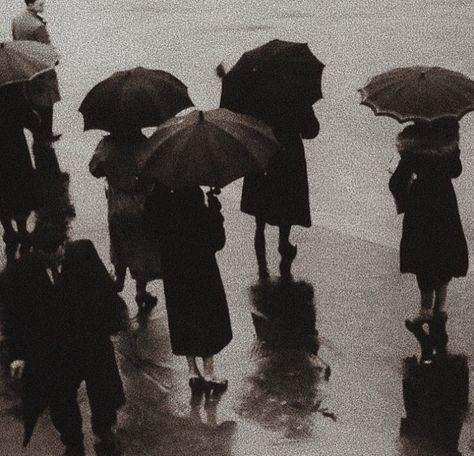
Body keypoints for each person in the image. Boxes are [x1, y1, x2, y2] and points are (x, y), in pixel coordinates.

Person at [1, 224, 127, 456]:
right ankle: (72, 441)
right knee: (60, 398)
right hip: (55, 347)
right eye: (49, 253)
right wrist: (17, 355)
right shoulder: (23, 272)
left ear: (63, 244)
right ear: (38, 253)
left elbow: (106, 288)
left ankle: (104, 432)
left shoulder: (83, 251)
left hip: (89, 338)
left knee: (102, 388)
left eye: (59, 248)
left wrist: (113, 320)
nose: (59, 254)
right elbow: (15, 316)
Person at [219, 69, 320, 280]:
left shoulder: (256, 93)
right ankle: (284, 242)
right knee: (287, 199)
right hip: (289, 153)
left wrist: (226, 78)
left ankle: (262, 265)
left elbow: (236, 111)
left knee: (261, 207)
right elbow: (312, 130)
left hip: (262, 150)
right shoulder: (297, 93)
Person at [144, 185, 232, 394]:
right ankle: (209, 372)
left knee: (182, 314)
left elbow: (149, 230)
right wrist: (214, 210)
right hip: (202, 269)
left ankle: (192, 371)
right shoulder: (193, 195)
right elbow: (217, 241)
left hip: (174, 269)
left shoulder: (159, 197)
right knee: (206, 315)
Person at [389, 119, 468, 325]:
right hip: (445, 203)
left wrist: (405, 193)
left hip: (421, 206)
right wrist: (454, 147)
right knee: (443, 254)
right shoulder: (448, 139)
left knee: (423, 256)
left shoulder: (413, 144)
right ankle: (440, 309)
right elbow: (456, 171)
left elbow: (397, 181)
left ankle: (425, 312)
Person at [89, 129, 162, 313]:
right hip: (139, 205)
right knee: (140, 248)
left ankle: (118, 283)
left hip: (116, 206)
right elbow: (153, 172)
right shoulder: (143, 144)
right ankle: (140, 291)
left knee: (119, 244)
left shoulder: (107, 145)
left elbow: (94, 169)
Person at [0, 84, 42, 260]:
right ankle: (22, 228)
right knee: (20, 188)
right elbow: (32, 122)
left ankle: (8, 231)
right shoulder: (12, 90)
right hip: (15, 151)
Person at [12, 0, 61, 142]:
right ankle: (46, 136)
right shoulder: (38, 26)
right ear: (30, 5)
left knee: (32, 98)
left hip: (26, 66)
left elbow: (16, 42)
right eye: (40, 3)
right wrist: (56, 59)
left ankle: (37, 131)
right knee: (46, 100)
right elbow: (47, 51)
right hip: (42, 70)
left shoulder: (17, 20)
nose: (43, 3)